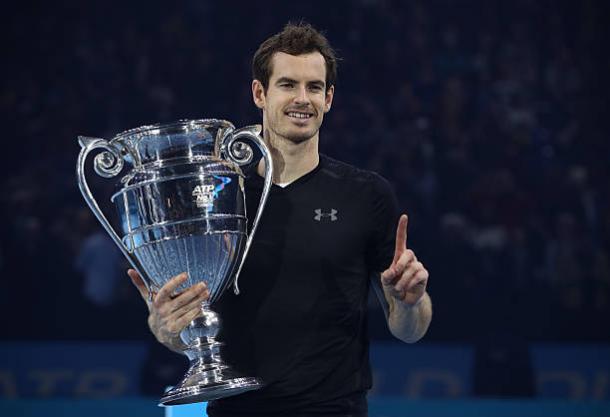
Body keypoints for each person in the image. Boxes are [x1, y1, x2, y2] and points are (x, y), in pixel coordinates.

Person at [128, 22, 432, 417]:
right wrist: (165, 327)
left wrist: (411, 301)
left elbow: (409, 330)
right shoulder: (218, 198)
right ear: (260, 93)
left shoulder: (366, 195)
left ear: (329, 99)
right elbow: (188, 329)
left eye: (314, 87)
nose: (302, 99)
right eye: (288, 84)